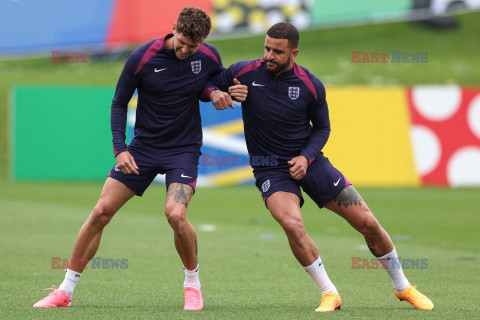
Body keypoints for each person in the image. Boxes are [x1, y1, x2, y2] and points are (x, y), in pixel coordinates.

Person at [209, 22, 434, 312]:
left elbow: (323, 128)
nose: (269, 56)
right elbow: (208, 82)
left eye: (278, 51)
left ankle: (403, 287)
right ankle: (329, 293)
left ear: (294, 53)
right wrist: (220, 94)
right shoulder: (244, 71)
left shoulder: (310, 85)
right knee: (291, 223)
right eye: (266, 48)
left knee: (367, 222)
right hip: (269, 169)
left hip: (311, 163)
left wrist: (306, 157)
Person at [33, 6, 246, 310]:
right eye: (182, 41)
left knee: (175, 214)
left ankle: (192, 285)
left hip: (183, 151)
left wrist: (214, 93)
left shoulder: (209, 56)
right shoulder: (142, 57)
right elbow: (119, 103)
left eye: (193, 46)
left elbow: (206, 84)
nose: (186, 50)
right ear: (173, 27)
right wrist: (120, 149)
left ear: (204, 41)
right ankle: (65, 290)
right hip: (142, 150)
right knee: (100, 212)